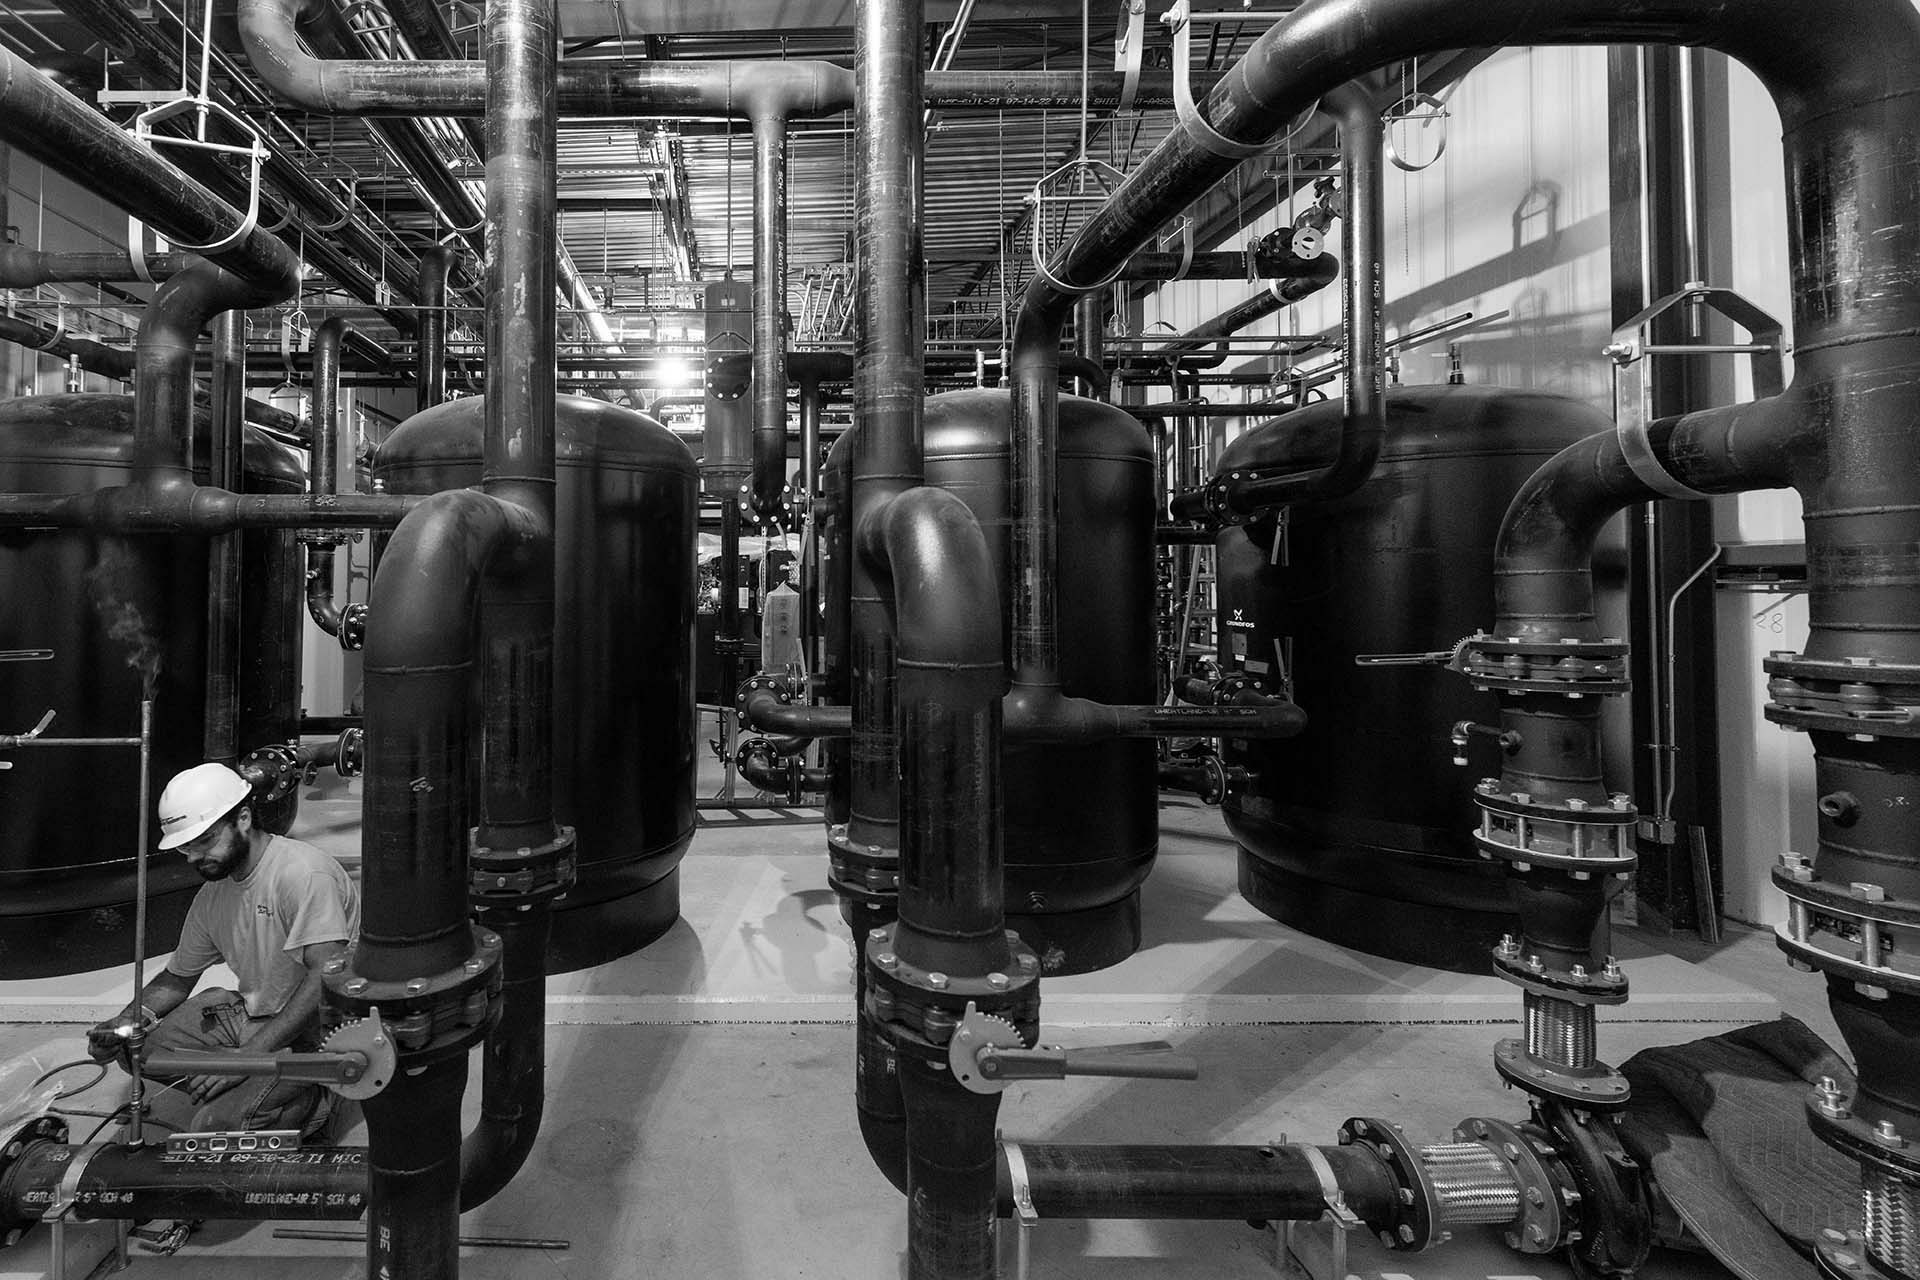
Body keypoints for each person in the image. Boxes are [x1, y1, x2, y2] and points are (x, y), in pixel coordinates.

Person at [87, 762, 360, 1136]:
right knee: (135, 1049)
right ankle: (254, 1084)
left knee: (216, 1126)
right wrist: (126, 1021)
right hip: (251, 1015)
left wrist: (248, 1057)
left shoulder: (301, 874)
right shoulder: (213, 894)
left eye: (205, 841)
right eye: (186, 846)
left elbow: (325, 975)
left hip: (317, 1031)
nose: (195, 857)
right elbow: (177, 978)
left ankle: (317, 1098)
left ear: (243, 818)